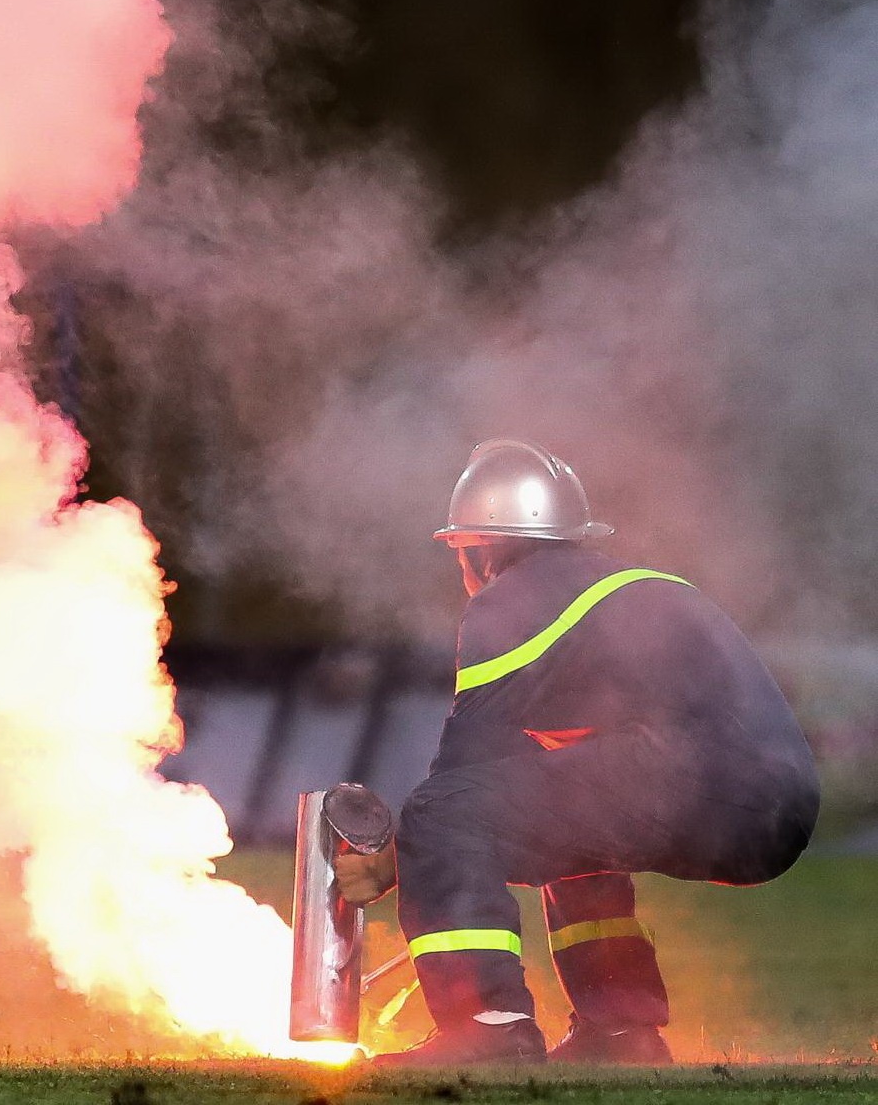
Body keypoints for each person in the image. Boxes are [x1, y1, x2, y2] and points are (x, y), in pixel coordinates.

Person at [336, 439, 819, 1067]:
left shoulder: (510, 603)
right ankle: (621, 1033)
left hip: (696, 779)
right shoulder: (623, 586)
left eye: (462, 550)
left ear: (484, 548)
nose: (462, 568)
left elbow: (464, 770)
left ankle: (487, 1028)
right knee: (572, 827)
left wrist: (396, 862)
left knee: (440, 813)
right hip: (781, 805)